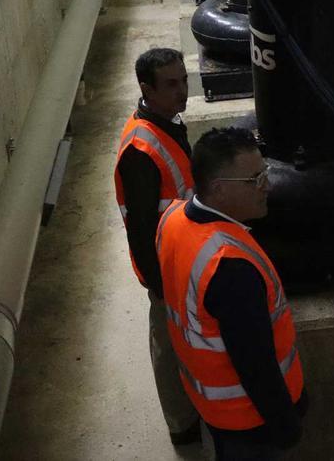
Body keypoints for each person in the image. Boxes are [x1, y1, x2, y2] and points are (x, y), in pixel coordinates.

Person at [157, 127, 306, 459]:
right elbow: (256, 365)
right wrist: (286, 426)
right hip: (250, 423)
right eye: (255, 179)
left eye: (264, 172)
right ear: (219, 190)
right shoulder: (230, 269)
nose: (266, 185)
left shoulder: (173, 219)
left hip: (212, 409)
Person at [113, 47, 200, 446]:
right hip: (167, 269)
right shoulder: (140, 151)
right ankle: (181, 426)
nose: (182, 91)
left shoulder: (166, 120)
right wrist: (159, 284)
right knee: (169, 345)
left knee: (185, 343)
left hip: (183, 256)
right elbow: (140, 226)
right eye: (171, 84)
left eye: (183, 80)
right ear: (146, 89)